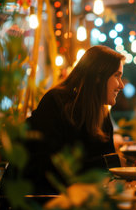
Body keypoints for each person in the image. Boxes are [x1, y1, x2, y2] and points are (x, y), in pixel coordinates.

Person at [16, 45, 125, 194]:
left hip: (79, 198)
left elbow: (109, 165)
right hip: (43, 202)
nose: (121, 85)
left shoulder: (100, 112)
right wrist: (107, 163)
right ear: (99, 76)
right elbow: (51, 169)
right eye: (117, 76)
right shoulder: (57, 102)